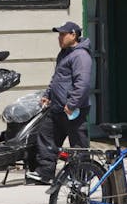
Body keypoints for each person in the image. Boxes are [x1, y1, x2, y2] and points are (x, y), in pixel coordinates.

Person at [26, 21, 92, 184]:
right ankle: (45, 174)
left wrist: (72, 104)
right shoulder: (64, 53)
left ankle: (81, 177)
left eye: (63, 34)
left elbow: (82, 84)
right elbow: (57, 78)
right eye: (59, 34)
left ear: (73, 35)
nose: (59, 37)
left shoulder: (81, 56)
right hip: (57, 107)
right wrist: (48, 94)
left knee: (78, 144)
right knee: (46, 136)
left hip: (72, 109)